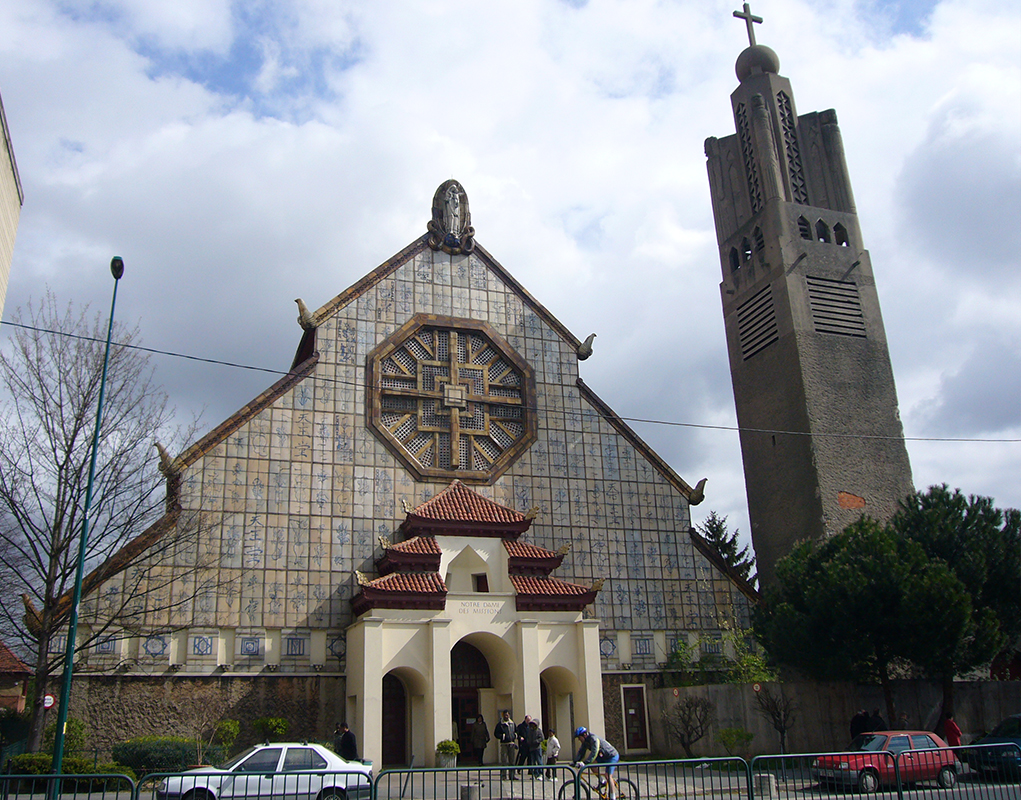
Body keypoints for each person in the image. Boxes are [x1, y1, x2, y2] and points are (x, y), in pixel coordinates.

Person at [573, 726, 620, 800]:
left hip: (611, 756)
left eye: (579, 737)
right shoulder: (585, 742)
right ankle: (602, 781)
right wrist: (575, 762)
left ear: (584, 735)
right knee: (592, 765)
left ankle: (612, 797)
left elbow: (594, 753)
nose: (578, 739)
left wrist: (585, 763)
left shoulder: (594, 739)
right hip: (603, 756)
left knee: (608, 776)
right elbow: (581, 752)